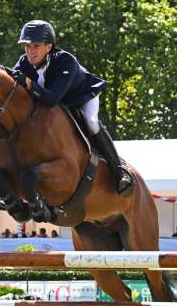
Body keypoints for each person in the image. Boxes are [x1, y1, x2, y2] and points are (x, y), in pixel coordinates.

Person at [12, 19, 133, 195]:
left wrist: (30, 84)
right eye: (27, 46)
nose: (30, 51)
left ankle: (119, 170)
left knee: (91, 122)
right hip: (54, 103)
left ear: (49, 47)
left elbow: (52, 99)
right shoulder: (23, 63)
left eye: (36, 46)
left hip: (82, 97)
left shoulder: (65, 61)